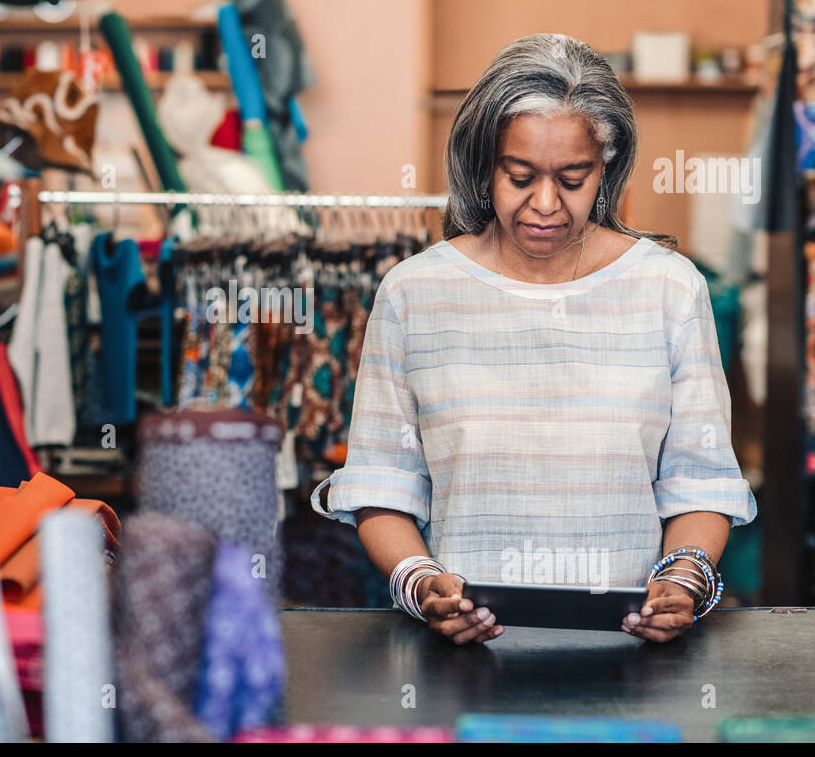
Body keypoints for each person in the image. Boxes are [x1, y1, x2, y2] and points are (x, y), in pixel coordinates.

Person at [312, 33, 756, 645]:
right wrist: (420, 583)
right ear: (483, 165)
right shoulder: (415, 292)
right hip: (466, 661)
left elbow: (699, 480)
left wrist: (684, 578)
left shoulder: (669, 289)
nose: (545, 204)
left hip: (628, 656)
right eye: (518, 176)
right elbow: (383, 483)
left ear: (607, 168)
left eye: (573, 178)